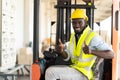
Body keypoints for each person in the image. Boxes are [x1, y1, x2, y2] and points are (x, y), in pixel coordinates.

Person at [45, 9, 114, 80]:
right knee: (52, 68)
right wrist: (62, 51)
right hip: (75, 69)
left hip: (84, 73)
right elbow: (67, 57)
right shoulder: (73, 36)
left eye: (80, 22)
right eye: (74, 23)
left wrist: (91, 51)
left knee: (51, 73)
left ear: (85, 21)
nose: (76, 25)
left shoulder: (93, 36)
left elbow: (111, 54)